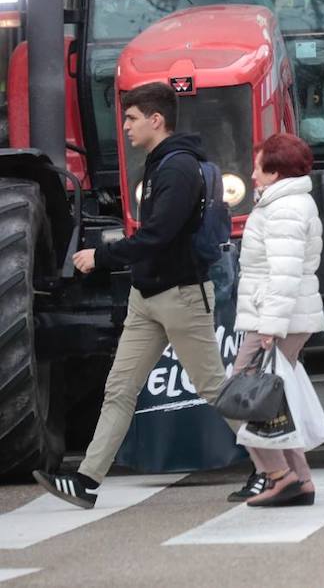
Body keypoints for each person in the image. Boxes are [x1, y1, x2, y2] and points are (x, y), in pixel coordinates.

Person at [33, 82, 235, 509]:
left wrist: (100, 256)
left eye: (131, 118)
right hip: (149, 297)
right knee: (119, 389)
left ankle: (274, 466)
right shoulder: (162, 164)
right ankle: (86, 481)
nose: (124, 126)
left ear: (155, 120)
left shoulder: (177, 169)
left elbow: (158, 236)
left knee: (214, 388)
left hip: (180, 296)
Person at [227, 133, 324, 507]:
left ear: (275, 171)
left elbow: (283, 275)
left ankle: (280, 475)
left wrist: (269, 326)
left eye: (258, 166)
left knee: (243, 394)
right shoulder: (286, 203)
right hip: (283, 315)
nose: (252, 174)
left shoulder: (284, 209)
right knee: (274, 400)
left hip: (274, 317)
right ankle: (299, 480)